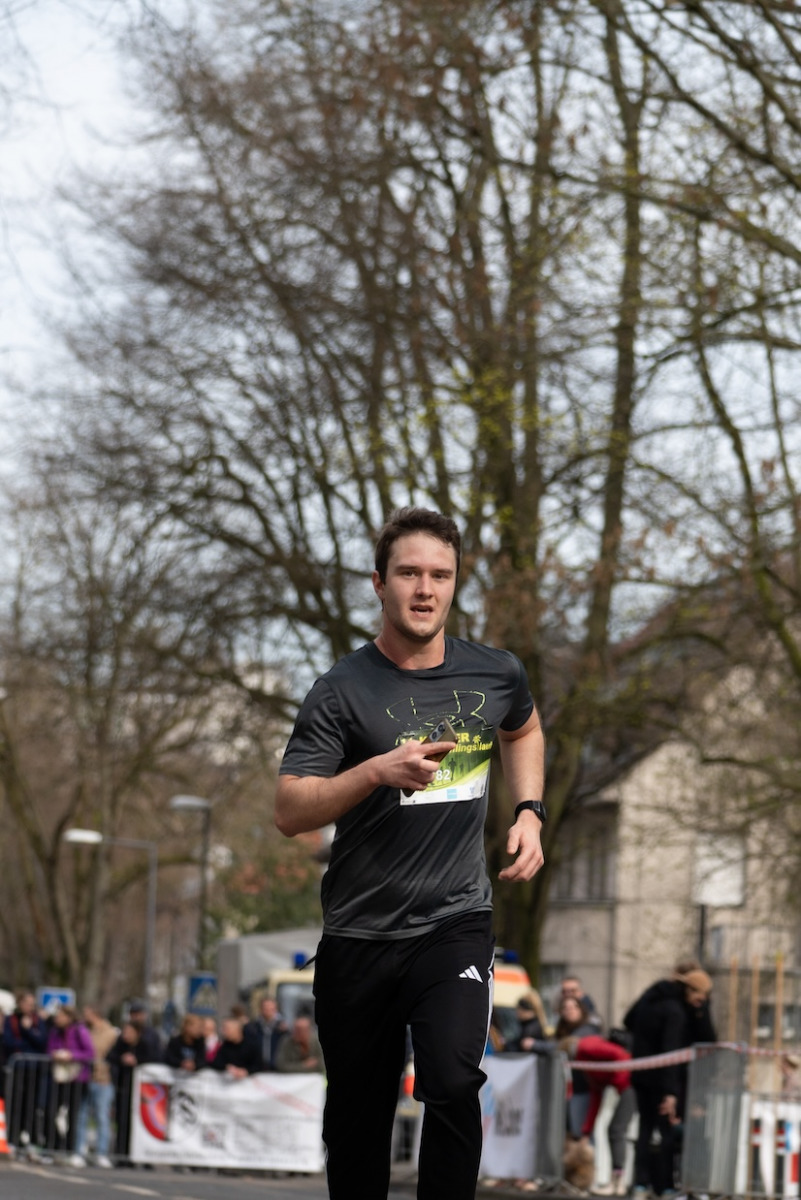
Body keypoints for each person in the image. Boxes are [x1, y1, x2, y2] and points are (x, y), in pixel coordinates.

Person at [275, 506, 546, 1200]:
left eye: (440, 575)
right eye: (408, 574)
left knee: (452, 1080)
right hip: (360, 934)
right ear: (378, 583)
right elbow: (290, 809)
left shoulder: (495, 673)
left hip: (453, 921)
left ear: (454, 584)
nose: (424, 589)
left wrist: (529, 811)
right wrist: (374, 772)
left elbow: (522, 729)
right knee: (358, 1121)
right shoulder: (341, 690)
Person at [624, 967, 716, 1197]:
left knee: (645, 1129)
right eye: (701, 997)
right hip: (662, 1078)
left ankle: (641, 1183)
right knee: (665, 1132)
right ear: (691, 991)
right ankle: (665, 1186)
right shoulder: (675, 1011)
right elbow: (671, 1051)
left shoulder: (650, 997)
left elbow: (628, 1020)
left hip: (640, 1073)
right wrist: (670, 1092)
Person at [560, 1032, 636, 1196]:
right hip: (624, 1086)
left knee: (616, 1130)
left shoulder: (586, 1047)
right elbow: (596, 1095)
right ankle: (615, 1180)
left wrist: (619, 1082)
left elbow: (619, 1054)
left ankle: (618, 1181)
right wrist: (586, 1131)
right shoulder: (587, 1064)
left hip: (629, 1083)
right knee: (614, 1130)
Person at [46, 1004, 95, 1164]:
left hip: (77, 1078)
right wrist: (55, 1054)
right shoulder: (55, 1031)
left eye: (60, 1016)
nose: (57, 1019)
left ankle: (70, 1149)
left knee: (73, 1115)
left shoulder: (80, 1031)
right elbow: (49, 1049)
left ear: (69, 1017)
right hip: (60, 1076)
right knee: (51, 1111)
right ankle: (55, 1146)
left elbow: (90, 1052)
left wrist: (71, 1055)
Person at [2, 990, 48, 1150]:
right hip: (17, 1068)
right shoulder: (11, 1019)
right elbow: (8, 1042)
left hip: (34, 1069)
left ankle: (30, 1139)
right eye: (27, 1003)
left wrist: (27, 1031)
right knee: (15, 1104)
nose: (30, 1007)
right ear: (20, 1003)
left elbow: (42, 1042)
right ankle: (13, 1139)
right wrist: (26, 1044)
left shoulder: (37, 1020)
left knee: (32, 1105)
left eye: (32, 1004)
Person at [75, 1003, 118, 1169]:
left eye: (87, 1013)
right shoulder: (83, 1030)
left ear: (95, 1014)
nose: (84, 1016)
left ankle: (101, 1153)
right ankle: (79, 1151)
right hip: (86, 1078)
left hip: (104, 1079)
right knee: (82, 1116)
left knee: (102, 1117)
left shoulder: (110, 1032)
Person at [554, 995, 598, 1140]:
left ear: (581, 1010)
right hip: (570, 1090)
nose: (570, 1011)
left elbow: (561, 1047)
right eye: (566, 1008)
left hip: (585, 1088)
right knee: (573, 1132)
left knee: (582, 1134)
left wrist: (535, 1045)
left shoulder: (587, 1030)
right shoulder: (563, 1030)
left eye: (573, 1007)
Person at [210, 1011, 262, 1078]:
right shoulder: (226, 1045)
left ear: (236, 1029)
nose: (223, 1032)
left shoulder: (252, 1044)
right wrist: (227, 1067)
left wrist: (246, 1071)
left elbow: (258, 1066)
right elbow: (216, 1062)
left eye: (226, 1029)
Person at [244, 995, 288, 1071]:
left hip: (277, 1068)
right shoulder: (253, 1027)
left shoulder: (283, 1029)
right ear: (261, 1009)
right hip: (258, 1068)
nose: (268, 1010)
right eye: (265, 1008)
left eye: (271, 1008)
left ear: (276, 1009)